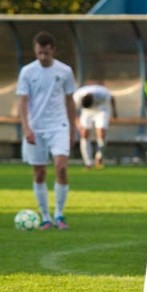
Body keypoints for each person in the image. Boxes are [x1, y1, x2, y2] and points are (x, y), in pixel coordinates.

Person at [17, 31, 76, 230]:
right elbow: (23, 102)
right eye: (39, 53)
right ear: (35, 50)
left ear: (53, 51)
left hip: (59, 126)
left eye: (46, 53)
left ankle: (59, 214)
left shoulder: (65, 71)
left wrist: (72, 129)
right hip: (36, 128)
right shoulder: (27, 72)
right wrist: (26, 128)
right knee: (39, 172)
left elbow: (70, 101)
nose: (43, 57)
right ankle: (45, 217)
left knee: (61, 167)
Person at [73, 83, 117, 169]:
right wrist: (77, 121)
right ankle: (88, 162)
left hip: (101, 110)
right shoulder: (77, 95)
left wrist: (115, 112)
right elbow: (73, 109)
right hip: (86, 112)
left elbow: (112, 99)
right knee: (84, 133)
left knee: (101, 133)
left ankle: (99, 157)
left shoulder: (102, 93)